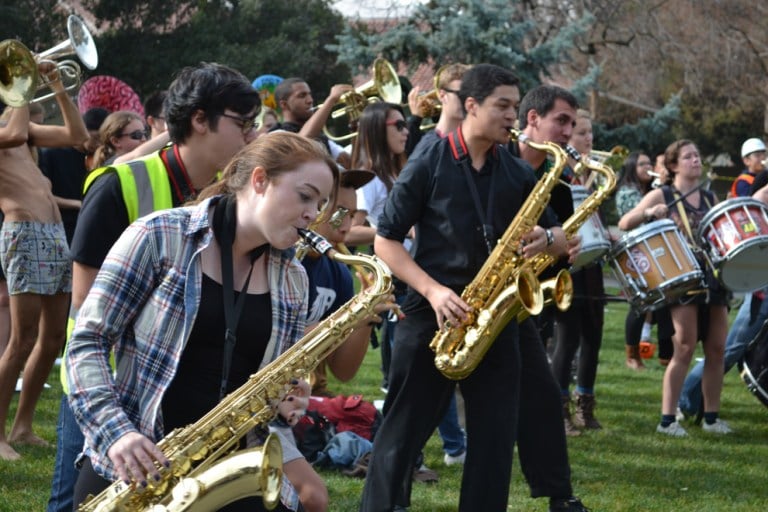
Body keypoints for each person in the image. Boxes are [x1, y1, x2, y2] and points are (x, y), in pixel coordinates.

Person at [65, 131, 338, 512]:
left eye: (321, 204)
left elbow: (266, 391)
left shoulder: (294, 278)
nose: (313, 214)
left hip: (228, 470)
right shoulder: (158, 235)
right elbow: (86, 343)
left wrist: (284, 397)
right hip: (135, 467)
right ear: (259, 180)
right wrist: (117, 435)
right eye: (305, 195)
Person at [46, 62, 261, 512]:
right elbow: (84, 308)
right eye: (242, 124)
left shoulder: (226, 196)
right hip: (102, 378)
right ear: (200, 121)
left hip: (170, 383)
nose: (251, 138)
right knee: (75, 501)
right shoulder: (118, 186)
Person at [359, 64, 567, 512]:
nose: (514, 115)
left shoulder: (515, 172)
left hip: (494, 321)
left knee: (493, 441)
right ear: (470, 106)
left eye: (516, 105)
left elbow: (562, 238)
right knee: (402, 432)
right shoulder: (428, 160)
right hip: (431, 313)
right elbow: (385, 240)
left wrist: (547, 240)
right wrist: (433, 292)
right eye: (503, 106)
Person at [0, 61, 89, 462]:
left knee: (53, 338)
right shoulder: (10, 132)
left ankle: (22, 426)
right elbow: (15, 130)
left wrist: (55, 84)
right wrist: (22, 82)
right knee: (21, 342)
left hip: (53, 236)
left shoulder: (20, 133)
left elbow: (78, 135)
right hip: (24, 234)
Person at [507, 84, 589, 511]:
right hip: (464, 296)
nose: (568, 131)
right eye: (561, 120)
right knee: (419, 405)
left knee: (541, 395)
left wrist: (562, 247)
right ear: (532, 119)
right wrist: (553, 238)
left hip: (516, 306)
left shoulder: (556, 179)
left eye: (572, 124)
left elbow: (558, 245)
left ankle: (560, 496)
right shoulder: (499, 161)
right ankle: (391, 488)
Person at [619, 139, 731, 437]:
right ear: (672, 165)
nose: (696, 160)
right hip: (681, 276)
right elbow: (625, 221)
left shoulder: (709, 197)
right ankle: (668, 419)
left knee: (717, 349)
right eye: (688, 156)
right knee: (683, 347)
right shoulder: (662, 193)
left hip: (712, 276)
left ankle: (711, 417)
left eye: (697, 155)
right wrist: (648, 213)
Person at [679, 166, 768, 419]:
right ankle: (686, 399)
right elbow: (753, 205)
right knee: (732, 348)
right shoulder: (763, 193)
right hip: (763, 285)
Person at [302, 166, 396, 397]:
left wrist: (364, 318)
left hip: (308, 398)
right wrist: (346, 317)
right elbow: (284, 339)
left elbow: (343, 371)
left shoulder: (339, 272)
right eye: (339, 212)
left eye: (352, 215)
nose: (347, 225)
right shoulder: (285, 260)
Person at [550, 109, 606, 432]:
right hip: (568, 261)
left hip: (592, 262)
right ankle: (560, 409)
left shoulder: (591, 173)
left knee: (593, 334)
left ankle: (586, 405)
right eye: (581, 133)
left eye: (590, 134)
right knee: (567, 337)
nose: (588, 140)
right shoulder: (559, 172)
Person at [615, 151, 670, 371]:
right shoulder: (627, 191)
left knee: (666, 302)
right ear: (632, 167)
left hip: (656, 250)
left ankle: (666, 357)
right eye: (642, 164)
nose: (648, 167)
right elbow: (630, 218)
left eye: (650, 162)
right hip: (636, 254)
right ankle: (632, 355)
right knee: (639, 304)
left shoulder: (651, 190)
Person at [271, 77, 353, 167]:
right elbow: (302, 142)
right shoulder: (276, 135)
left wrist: (355, 125)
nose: (310, 100)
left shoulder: (320, 136)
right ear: (284, 104)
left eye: (310, 95)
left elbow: (350, 163)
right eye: (302, 96)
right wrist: (330, 100)